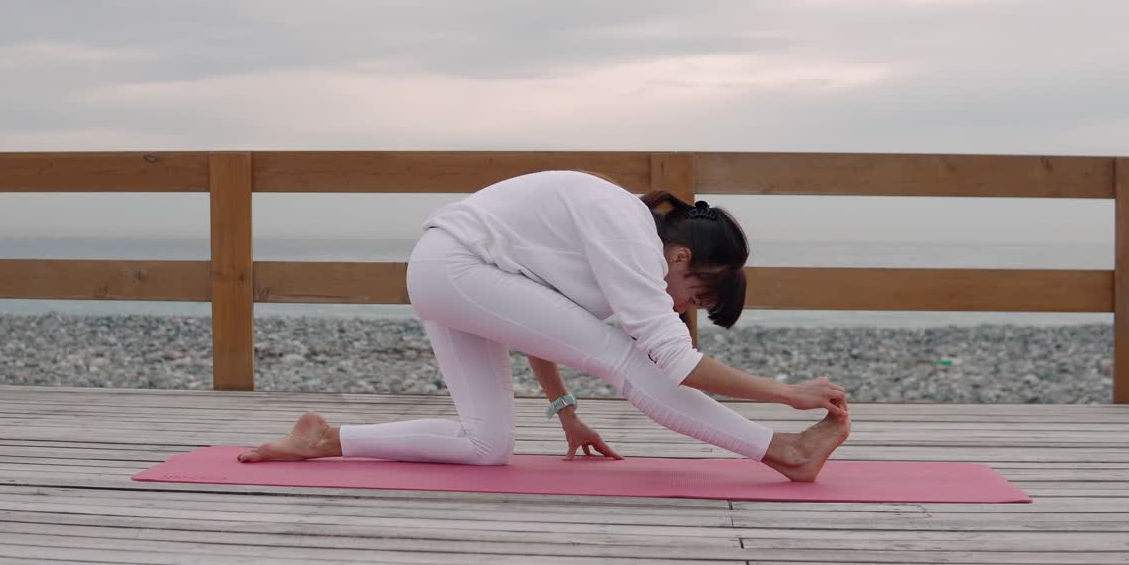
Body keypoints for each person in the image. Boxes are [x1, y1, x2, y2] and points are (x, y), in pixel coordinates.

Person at [239, 170, 850, 482]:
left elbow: (536, 319)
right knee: (633, 362)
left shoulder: (620, 248)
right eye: (690, 296)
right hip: (454, 266)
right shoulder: (629, 234)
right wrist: (786, 392)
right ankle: (786, 452)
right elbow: (676, 361)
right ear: (683, 258)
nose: (679, 308)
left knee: (486, 446)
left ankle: (326, 438)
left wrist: (567, 411)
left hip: (446, 272)